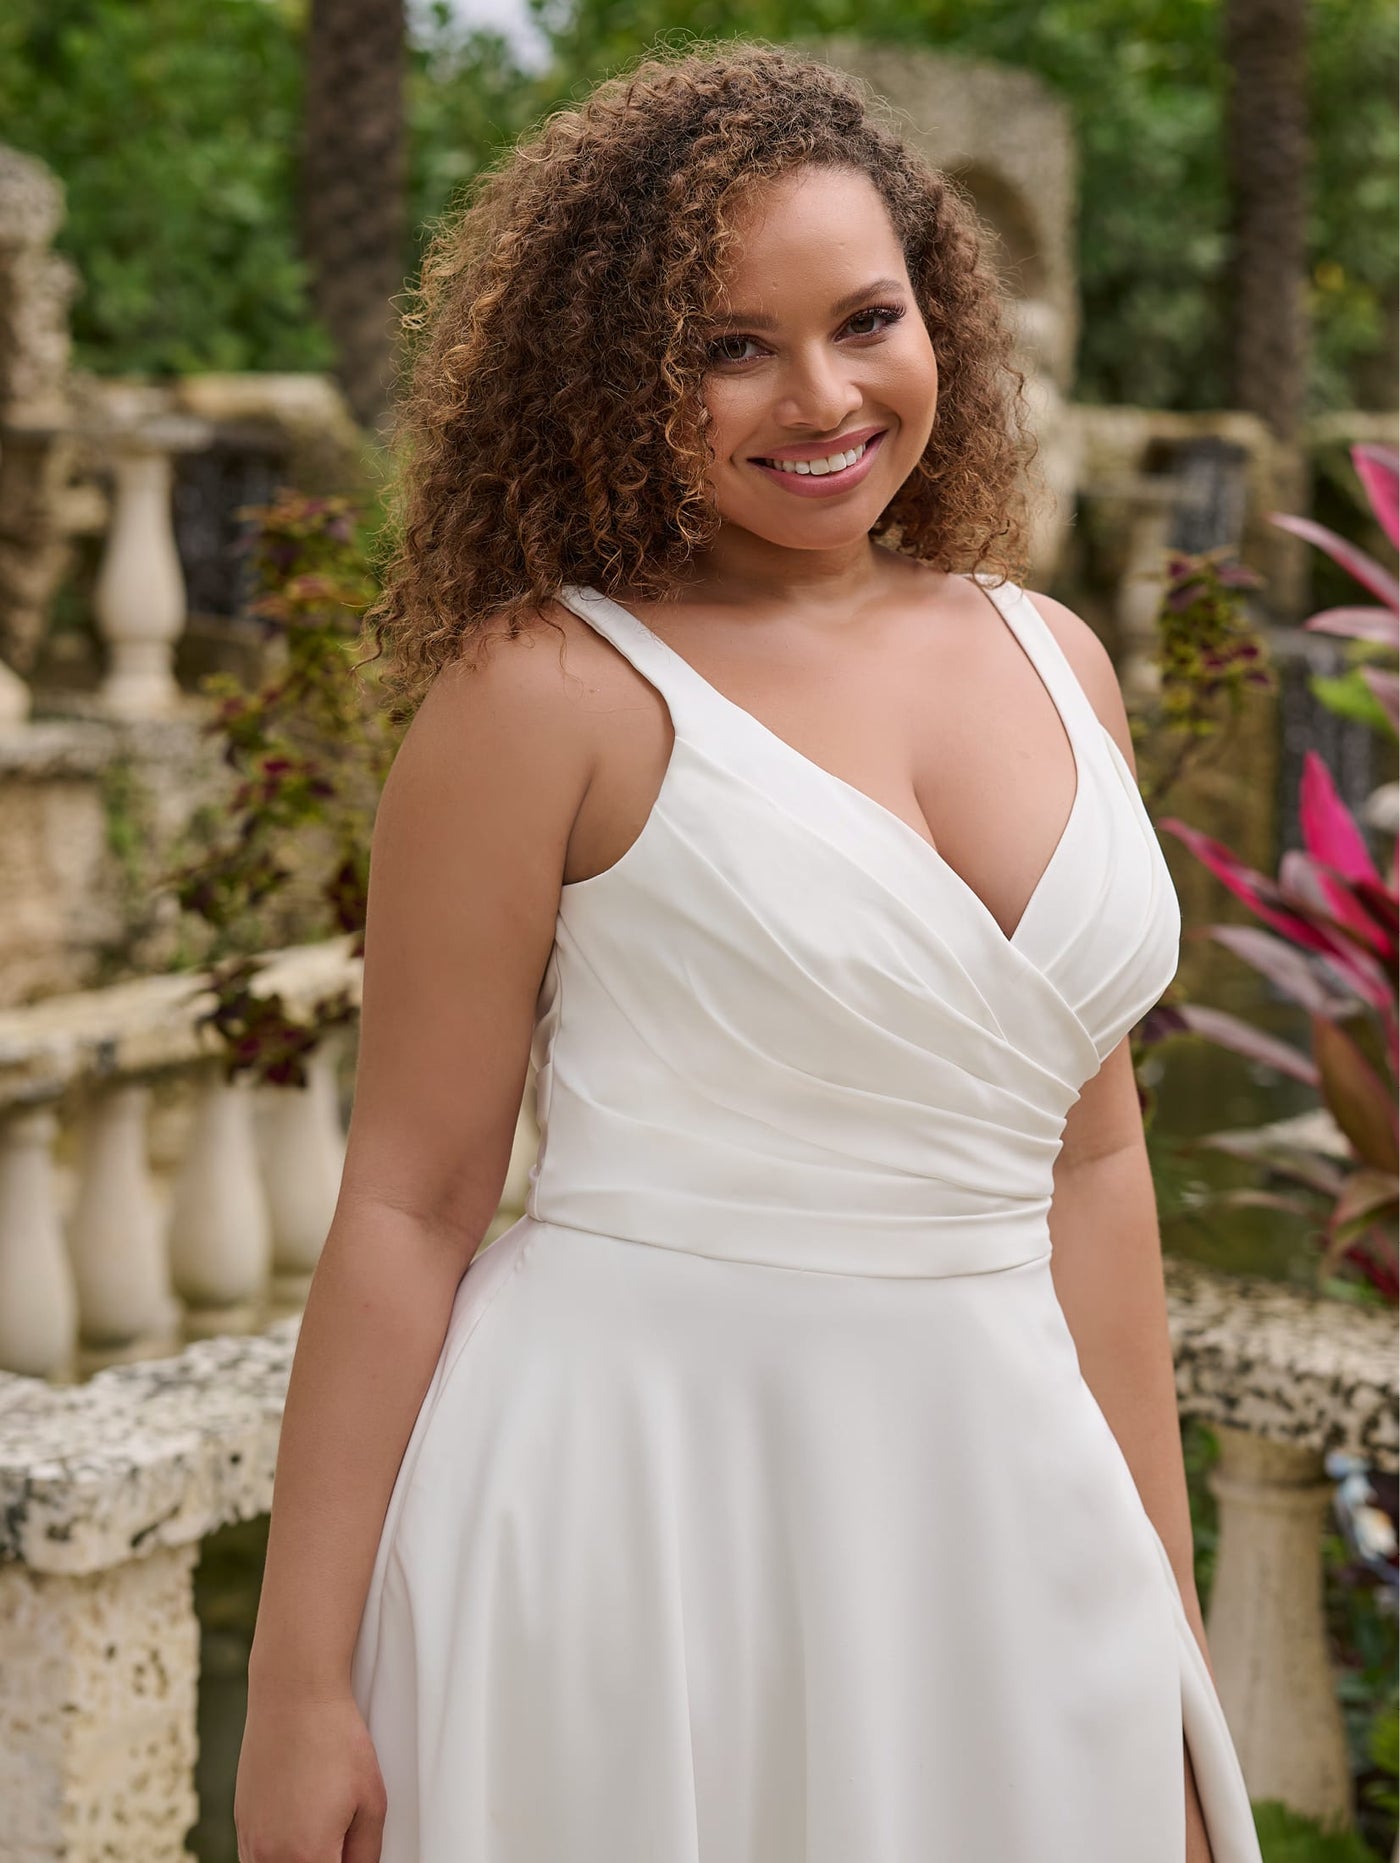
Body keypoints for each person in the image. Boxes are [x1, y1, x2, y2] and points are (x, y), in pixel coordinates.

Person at [234, 41, 1265, 1863]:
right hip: (637, 1508)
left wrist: (1168, 1621)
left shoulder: (1058, 657)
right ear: (619, 374)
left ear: (943, 309)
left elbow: (1094, 1169)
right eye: (730, 344)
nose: (822, 396)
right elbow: (407, 1199)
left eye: (868, 318)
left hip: (1004, 1509)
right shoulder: (542, 695)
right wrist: (298, 1691)